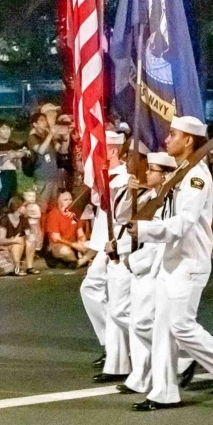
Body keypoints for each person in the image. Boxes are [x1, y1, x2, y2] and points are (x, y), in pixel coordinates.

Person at [125, 115, 213, 411]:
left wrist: (144, 230)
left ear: (189, 141)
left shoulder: (196, 177)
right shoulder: (180, 172)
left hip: (190, 262)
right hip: (173, 260)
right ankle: (163, 391)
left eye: (173, 134)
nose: (167, 139)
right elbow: (164, 212)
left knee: (180, 325)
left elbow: (182, 223)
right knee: (162, 328)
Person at [117, 152, 196, 396]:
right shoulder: (149, 196)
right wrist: (127, 193)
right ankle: (143, 375)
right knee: (138, 322)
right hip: (141, 264)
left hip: (153, 265)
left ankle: (181, 355)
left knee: (142, 323)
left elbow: (161, 238)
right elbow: (122, 218)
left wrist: (133, 259)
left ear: (165, 175)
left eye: (153, 170)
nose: (147, 173)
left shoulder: (168, 201)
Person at [80, 130, 128, 371]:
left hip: (119, 245)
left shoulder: (121, 179)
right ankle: (113, 346)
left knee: (119, 303)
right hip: (104, 244)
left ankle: (120, 350)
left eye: (98, 150)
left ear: (112, 151)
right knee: (92, 289)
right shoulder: (104, 178)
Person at [26, 107, 68, 217]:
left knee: (53, 210)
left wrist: (65, 137)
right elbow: (41, 150)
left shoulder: (48, 136)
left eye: (45, 120)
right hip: (42, 179)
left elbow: (61, 150)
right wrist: (50, 134)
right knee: (41, 209)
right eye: (42, 121)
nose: (45, 123)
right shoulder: (32, 137)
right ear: (35, 124)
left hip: (54, 178)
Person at [46, 191, 92, 268]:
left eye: (70, 199)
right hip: (59, 245)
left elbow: (80, 233)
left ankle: (79, 261)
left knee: (95, 246)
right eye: (65, 200)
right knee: (65, 252)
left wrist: (81, 241)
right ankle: (82, 260)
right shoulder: (53, 214)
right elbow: (56, 238)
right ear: (58, 202)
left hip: (74, 245)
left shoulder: (74, 214)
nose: (69, 202)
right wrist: (74, 245)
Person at [0, 196, 36, 275]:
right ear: (17, 207)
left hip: (19, 244)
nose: (26, 208)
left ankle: (30, 267)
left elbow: (27, 233)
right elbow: (1, 240)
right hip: (5, 246)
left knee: (30, 240)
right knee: (18, 241)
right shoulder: (4, 220)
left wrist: (29, 237)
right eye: (24, 206)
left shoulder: (23, 219)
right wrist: (13, 240)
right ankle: (16, 268)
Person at [0, 122, 25, 215]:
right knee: (0, 205)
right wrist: (7, 157)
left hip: (12, 176)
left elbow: (18, 167)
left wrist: (19, 157)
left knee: (13, 202)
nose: (7, 131)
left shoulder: (14, 145)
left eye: (8, 128)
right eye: (3, 129)